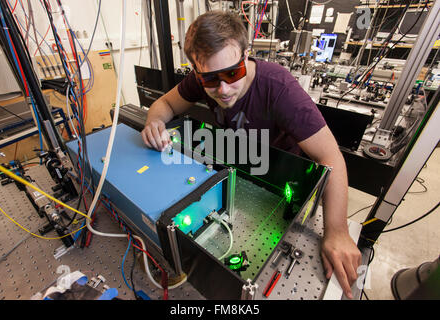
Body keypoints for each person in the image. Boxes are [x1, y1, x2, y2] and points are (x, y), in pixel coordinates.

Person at [141, 10, 361, 299]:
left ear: (246, 55)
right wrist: (153, 122)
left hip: (278, 184)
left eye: (233, 73)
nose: (222, 89)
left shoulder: (280, 89)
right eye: (209, 79)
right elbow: (164, 105)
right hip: (237, 168)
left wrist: (337, 230)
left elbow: (331, 158)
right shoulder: (205, 79)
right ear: (196, 71)